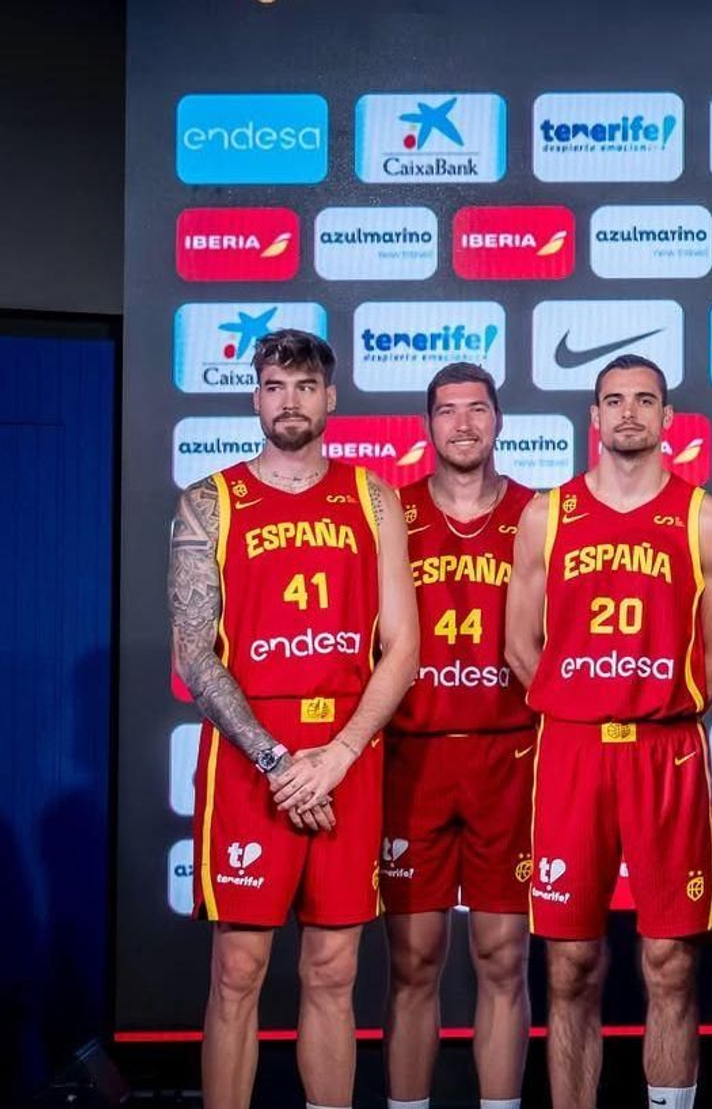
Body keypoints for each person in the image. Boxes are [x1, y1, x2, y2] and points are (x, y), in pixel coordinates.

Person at [167, 329, 419, 1109]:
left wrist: (337, 754)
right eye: (275, 385)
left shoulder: (374, 496)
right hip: (252, 761)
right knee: (237, 971)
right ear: (255, 397)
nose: (289, 400)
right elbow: (193, 657)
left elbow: (403, 646)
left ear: (331, 397)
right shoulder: (210, 499)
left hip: (345, 756)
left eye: (305, 386)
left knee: (333, 971)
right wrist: (279, 760)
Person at [504, 354, 712, 1109]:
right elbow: (519, 646)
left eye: (645, 400)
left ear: (669, 419)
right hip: (571, 749)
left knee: (671, 958)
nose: (630, 413)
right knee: (570, 961)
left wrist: (661, 707)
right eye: (615, 400)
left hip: (665, 748)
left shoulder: (704, 517)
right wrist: (585, 698)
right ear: (594, 417)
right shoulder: (548, 513)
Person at [382, 363, 535, 1109]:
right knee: (413, 962)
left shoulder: (541, 514)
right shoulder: (390, 514)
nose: (464, 424)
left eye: (478, 409)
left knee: (503, 958)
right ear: (428, 425)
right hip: (413, 758)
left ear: (500, 420)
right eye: (448, 411)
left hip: (510, 754)